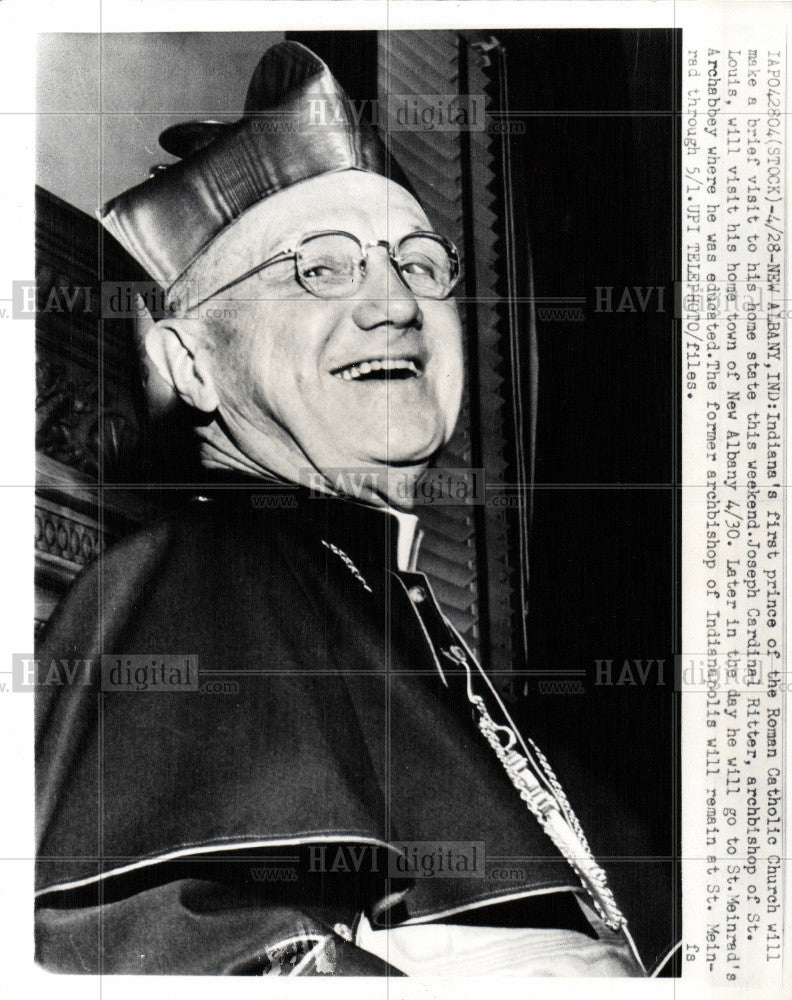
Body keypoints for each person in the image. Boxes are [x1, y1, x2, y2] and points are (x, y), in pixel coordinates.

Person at [35, 41, 648, 976]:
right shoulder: (191, 578)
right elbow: (169, 953)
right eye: (320, 267)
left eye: (418, 260)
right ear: (190, 364)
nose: (395, 302)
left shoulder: (415, 628)